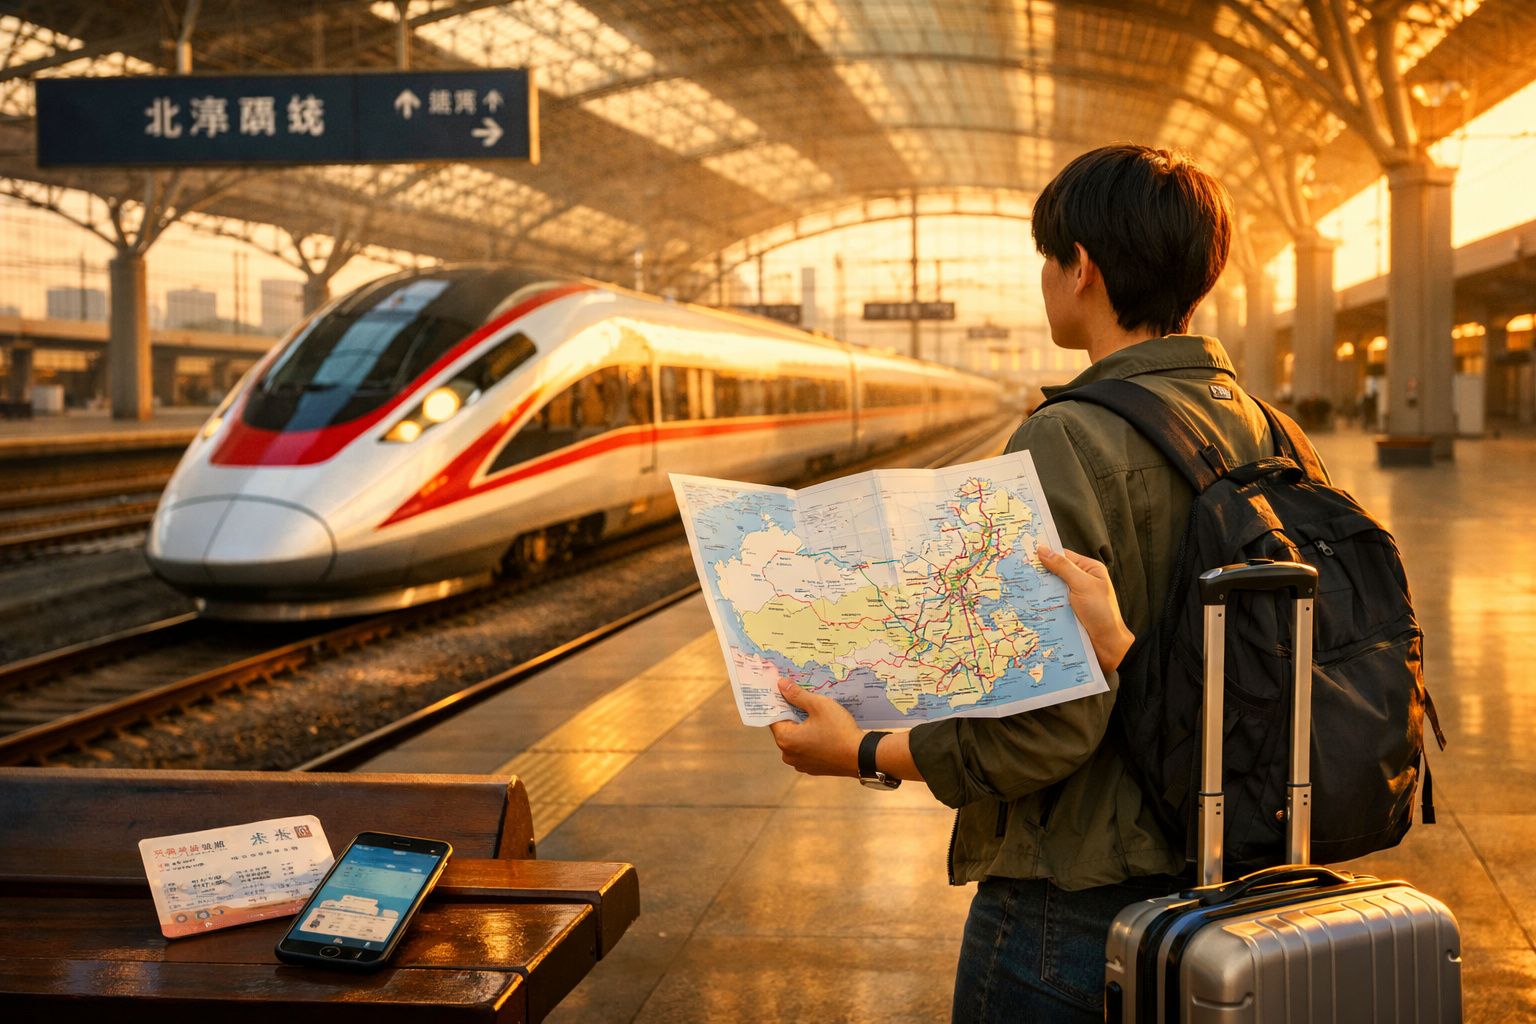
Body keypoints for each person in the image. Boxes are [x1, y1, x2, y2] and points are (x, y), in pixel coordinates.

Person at [771, 143, 1279, 1022]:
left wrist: (859, 752)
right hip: (1231, 883)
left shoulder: (1066, 439)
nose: (1044, 278)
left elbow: (1042, 733)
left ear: (1080, 267)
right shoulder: (1269, 429)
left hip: (1071, 907)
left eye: (1048, 258)